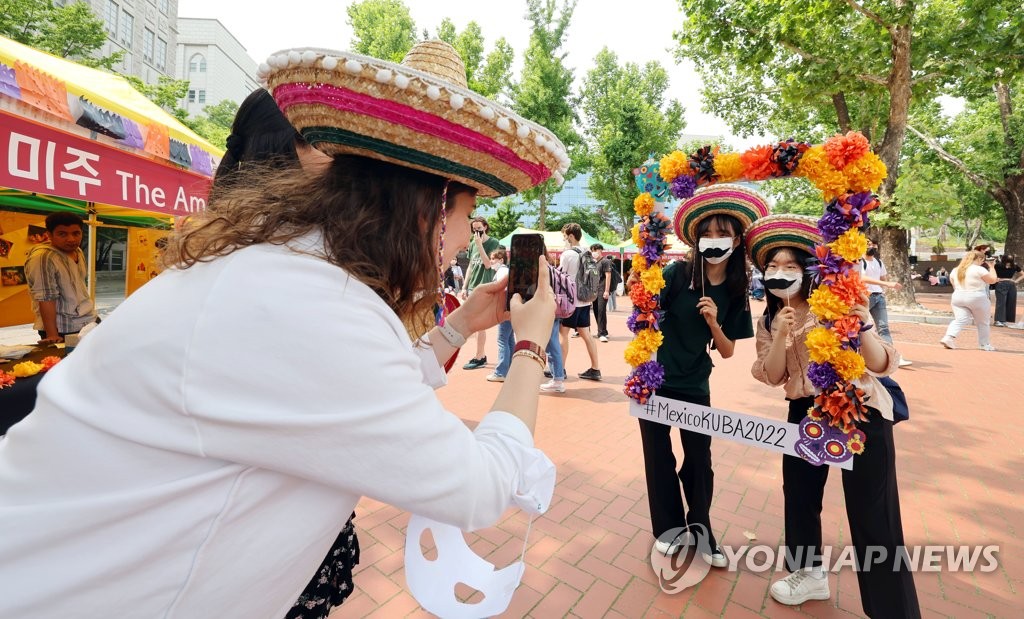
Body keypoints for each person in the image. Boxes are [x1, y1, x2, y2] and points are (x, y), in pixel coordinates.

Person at [0, 40, 567, 616]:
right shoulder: (311, 306)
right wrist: (528, 345)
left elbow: (355, 395)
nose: (469, 237)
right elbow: (480, 487)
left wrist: (459, 326)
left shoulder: (289, 278)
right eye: (469, 216)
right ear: (433, 206)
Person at [212, 87, 362, 618]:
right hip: (250, 551)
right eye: (326, 146)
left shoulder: (249, 260)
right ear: (288, 151)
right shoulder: (280, 276)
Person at [747, 214, 920, 617]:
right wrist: (781, 336)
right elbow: (771, 375)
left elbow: (883, 364)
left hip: (857, 410)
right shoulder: (771, 317)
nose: (780, 272)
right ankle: (808, 575)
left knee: (873, 513)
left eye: (790, 265)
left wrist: (861, 328)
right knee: (801, 497)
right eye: (772, 265)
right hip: (803, 411)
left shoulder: (840, 304)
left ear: (810, 271)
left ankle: (892, 608)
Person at [640, 184, 765, 565]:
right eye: (707, 234)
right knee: (658, 457)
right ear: (696, 240)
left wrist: (713, 322)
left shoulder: (736, 287)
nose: (714, 241)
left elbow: (727, 351)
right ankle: (668, 530)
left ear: (736, 239)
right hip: (655, 382)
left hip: (695, 384)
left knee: (699, 461)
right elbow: (645, 317)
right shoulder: (677, 274)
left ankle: (701, 531)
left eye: (722, 234)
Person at [23, 212, 98, 344]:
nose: (71, 239)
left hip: (88, 321)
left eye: (76, 233)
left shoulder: (77, 251)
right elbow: (46, 298)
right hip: (63, 329)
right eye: (62, 234)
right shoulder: (43, 258)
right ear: (49, 234)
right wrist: (52, 335)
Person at [859, 242, 912, 367]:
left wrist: (885, 285)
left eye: (872, 244)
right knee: (860, 327)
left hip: (879, 297)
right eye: (867, 244)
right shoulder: (860, 261)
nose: (870, 246)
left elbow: (883, 277)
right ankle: (864, 356)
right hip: (865, 297)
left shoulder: (879, 262)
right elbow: (862, 278)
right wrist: (887, 284)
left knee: (883, 328)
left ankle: (892, 358)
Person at [461, 216, 501, 369]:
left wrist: (480, 245)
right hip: (472, 287)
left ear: (485, 227)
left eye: (479, 228)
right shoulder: (472, 244)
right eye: (474, 229)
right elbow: (471, 265)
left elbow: (488, 264)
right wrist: (464, 287)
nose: (476, 231)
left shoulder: (494, 243)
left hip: (485, 287)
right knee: (475, 323)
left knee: (479, 324)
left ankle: (480, 356)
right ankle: (480, 355)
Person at [940, 250, 999, 350]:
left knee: (960, 319)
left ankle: (948, 337)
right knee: (983, 322)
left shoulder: (956, 269)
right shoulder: (979, 269)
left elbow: (953, 283)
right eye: (983, 260)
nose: (983, 262)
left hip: (958, 296)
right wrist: (992, 267)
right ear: (979, 259)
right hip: (977, 296)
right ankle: (984, 344)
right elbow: (992, 280)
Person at [486, 248, 512, 382]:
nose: (491, 261)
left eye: (493, 259)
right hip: (511, 308)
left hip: (504, 309)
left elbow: (502, 291)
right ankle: (510, 368)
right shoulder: (506, 271)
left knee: (502, 339)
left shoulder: (502, 271)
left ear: (501, 260)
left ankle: (501, 372)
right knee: (509, 339)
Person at [591, 243, 614, 342]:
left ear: (600, 250)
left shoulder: (605, 261)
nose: (593, 253)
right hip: (595, 290)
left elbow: (608, 276)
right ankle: (603, 330)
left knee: (601, 310)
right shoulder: (595, 262)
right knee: (596, 310)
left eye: (595, 250)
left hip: (602, 289)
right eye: (592, 251)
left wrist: (606, 291)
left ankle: (602, 333)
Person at [992, 254, 1022, 326]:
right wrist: (996, 279)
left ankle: (1004, 320)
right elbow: (992, 273)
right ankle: (998, 320)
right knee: (1001, 302)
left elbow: (1022, 274)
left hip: (1009, 284)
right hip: (1002, 284)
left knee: (1010, 302)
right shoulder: (998, 265)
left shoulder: (1014, 266)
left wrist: (1016, 281)